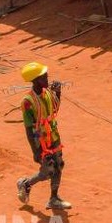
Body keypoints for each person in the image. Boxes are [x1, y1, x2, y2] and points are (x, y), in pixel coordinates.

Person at [15, 62, 71, 211]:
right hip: (40, 142)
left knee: (59, 165)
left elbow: (54, 109)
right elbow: (28, 129)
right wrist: (35, 151)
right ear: (35, 80)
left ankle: (54, 198)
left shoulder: (47, 93)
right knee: (47, 172)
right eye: (43, 77)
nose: (47, 78)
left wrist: (58, 93)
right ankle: (25, 183)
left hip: (54, 136)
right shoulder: (27, 102)